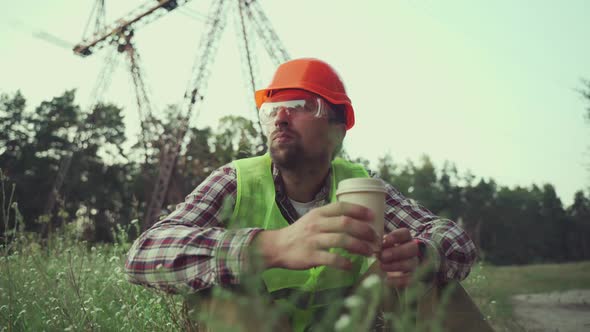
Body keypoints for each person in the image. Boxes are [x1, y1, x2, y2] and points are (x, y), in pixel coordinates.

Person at [125, 58, 489, 331]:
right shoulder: (236, 180)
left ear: (337, 130)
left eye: (299, 106)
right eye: (271, 111)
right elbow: (145, 253)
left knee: (423, 278)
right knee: (222, 289)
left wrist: (421, 254)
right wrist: (269, 247)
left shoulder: (361, 185)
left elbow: (454, 239)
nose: (280, 118)